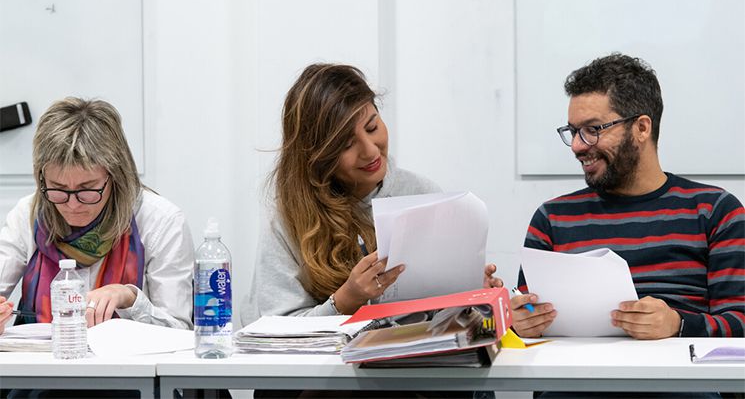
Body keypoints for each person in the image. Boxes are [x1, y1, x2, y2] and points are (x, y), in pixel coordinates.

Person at [241, 63, 503, 325]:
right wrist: (345, 300)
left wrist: (471, 296)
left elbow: (441, 319)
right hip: (322, 365)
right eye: (346, 144)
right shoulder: (288, 221)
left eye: (372, 127)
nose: (370, 151)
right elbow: (276, 332)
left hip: (410, 361)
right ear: (318, 157)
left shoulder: (422, 195)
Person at [512, 53, 744, 340]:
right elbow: (523, 317)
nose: (576, 146)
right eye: (572, 131)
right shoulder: (552, 219)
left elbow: (739, 321)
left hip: (679, 380)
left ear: (642, 128)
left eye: (592, 130)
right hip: (575, 381)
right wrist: (517, 323)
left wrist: (678, 324)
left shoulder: (715, 211)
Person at [0, 97, 194, 335]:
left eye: (87, 189)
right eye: (58, 189)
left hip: (128, 369)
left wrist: (130, 299)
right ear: (41, 178)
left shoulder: (160, 221)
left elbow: (178, 330)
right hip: (40, 364)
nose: (72, 204)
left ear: (115, 175)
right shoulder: (27, 214)